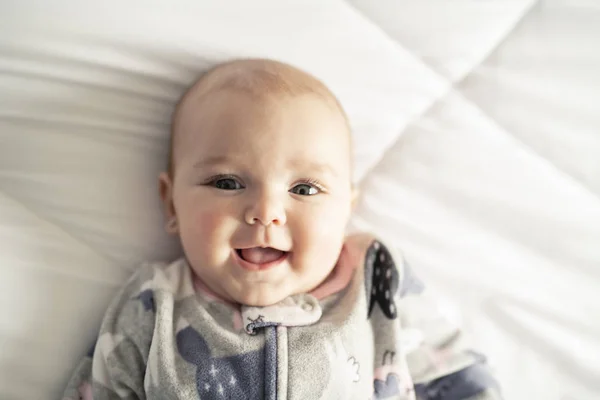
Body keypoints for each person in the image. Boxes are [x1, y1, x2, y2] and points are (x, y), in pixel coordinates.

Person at [62, 58, 501, 400]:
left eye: (305, 188)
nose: (266, 212)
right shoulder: (153, 302)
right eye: (228, 183)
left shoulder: (373, 277)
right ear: (170, 202)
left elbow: (453, 374)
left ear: (345, 209)